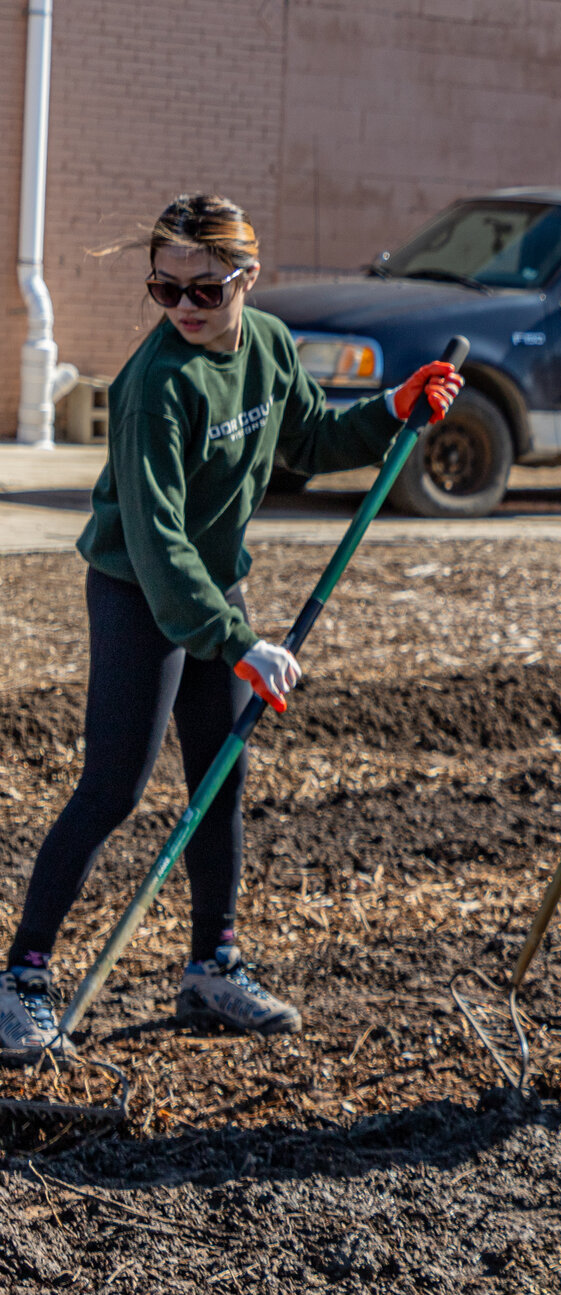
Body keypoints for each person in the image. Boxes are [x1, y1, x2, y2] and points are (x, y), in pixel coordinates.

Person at [0, 194, 461, 1060]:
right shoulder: (154, 386)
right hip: (139, 591)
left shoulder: (271, 346)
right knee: (115, 787)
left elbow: (313, 439)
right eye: (164, 289)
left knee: (219, 779)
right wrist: (238, 639)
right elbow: (157, 538)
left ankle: (212, 965)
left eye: (204, 291)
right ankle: (21, 973)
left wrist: (395, 406)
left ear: (246, 279)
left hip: (214, 591)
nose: (182, 308)